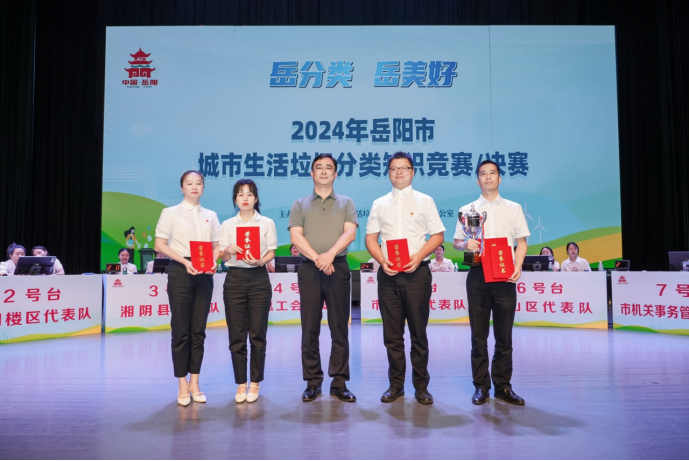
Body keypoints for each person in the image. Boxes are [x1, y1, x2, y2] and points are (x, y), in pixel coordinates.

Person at [365, 152, 446, 406]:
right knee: (392, 335)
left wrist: (419, 256)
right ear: (388, 173)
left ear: (413, 172)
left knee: (418, 333)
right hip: (388, 275)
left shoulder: (425, 201)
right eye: (394, 168)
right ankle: (396, 385)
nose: (399, 172)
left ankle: (421, 387)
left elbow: (437, 235)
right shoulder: (379, 203)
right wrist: (382, 260)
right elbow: (371, 238)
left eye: (404, 168)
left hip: (417, 274)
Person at [453, 159, 530, 406]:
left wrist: (518, 265)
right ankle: (480, 386)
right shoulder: (468, 209)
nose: (488, 177)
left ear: (499, 178)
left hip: (505, 276)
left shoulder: (513, 208)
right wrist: (465, 244)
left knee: (504, 336)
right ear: (478, 180)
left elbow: (522, 242)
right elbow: (456, 242)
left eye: (492, 173)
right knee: (479, 336)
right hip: (478, 274)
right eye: (483, 174)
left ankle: (503, 386)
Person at [288, 154, 359, 403]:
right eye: (319, 167)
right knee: (309, 327)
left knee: (339, 327)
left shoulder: (346, 202)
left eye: (329, 167)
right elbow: (296, 237)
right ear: (312, 173)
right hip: (310, 269)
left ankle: (339, 383)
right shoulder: (300, 204)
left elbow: (350, 233)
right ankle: (312, 382)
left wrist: (330, 255)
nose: (324, 171)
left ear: (336, 174)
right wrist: (319, 259)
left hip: (337, 267)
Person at [155, 170, 220, 406]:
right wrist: (184, 262)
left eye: (198, 183)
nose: (194, 186)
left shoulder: (211, 215)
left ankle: (195, 382)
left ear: (203, 187)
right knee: (180, 330)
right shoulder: (170, 213)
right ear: (182, 188)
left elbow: (216, 245)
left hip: (204, 274)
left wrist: (214, 261)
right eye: (189, 183)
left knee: (198, 331)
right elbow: (159, 244)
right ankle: (182, 383)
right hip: (181, 270)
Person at [220, 179, 277, 404]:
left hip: (259, 279)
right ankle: (241, 383)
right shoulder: (227, 225)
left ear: (256, 198)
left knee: (257, 335)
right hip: (234, 279)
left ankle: (255, 382)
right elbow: (223, 257)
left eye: (249, 194)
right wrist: (227, 250)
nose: (245, 198)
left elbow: (271, 252)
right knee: (236, 335)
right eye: (240, 194)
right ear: (235, 199)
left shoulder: (267, 222)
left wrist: (261, 261)